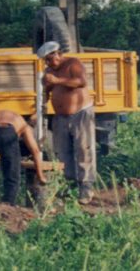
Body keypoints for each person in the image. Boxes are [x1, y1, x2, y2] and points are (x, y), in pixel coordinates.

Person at [37, 40, 96, 204]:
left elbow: (80, 82)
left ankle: (86, 188)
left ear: (58, 54)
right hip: (60, 117)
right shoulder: (49, 71)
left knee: (83, 149)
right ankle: (69, 186)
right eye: (46, 60)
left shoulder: (73, 64)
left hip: (80, 114)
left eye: (50, 59)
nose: (49, 63)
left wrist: (57, 81)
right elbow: (47, 90)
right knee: (63, 152)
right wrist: (45, 91)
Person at [0, 110, 47, 205]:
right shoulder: (25, 126)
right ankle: (7, 203)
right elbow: (35, 151)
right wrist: (40, 175)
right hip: (6, 129)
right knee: (12, 170)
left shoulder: (11, 115)